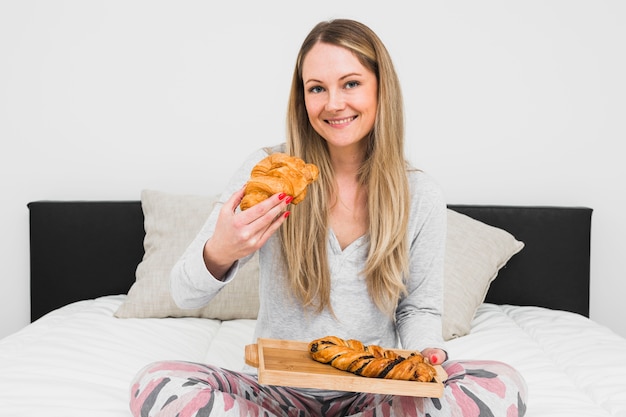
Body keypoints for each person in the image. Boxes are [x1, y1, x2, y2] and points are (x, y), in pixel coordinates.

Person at [129, 18, 527, 417]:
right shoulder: (271, 171)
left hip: (375, 391)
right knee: (156, 383)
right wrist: (220, 251)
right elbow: (183, 293)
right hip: (277, 391)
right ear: (302, 98)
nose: (334, 103)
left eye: (350, 83)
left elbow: (418, 309)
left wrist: (426, 354)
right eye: (316, 88)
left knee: (502, 385)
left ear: (380, 87)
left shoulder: (419, 193)